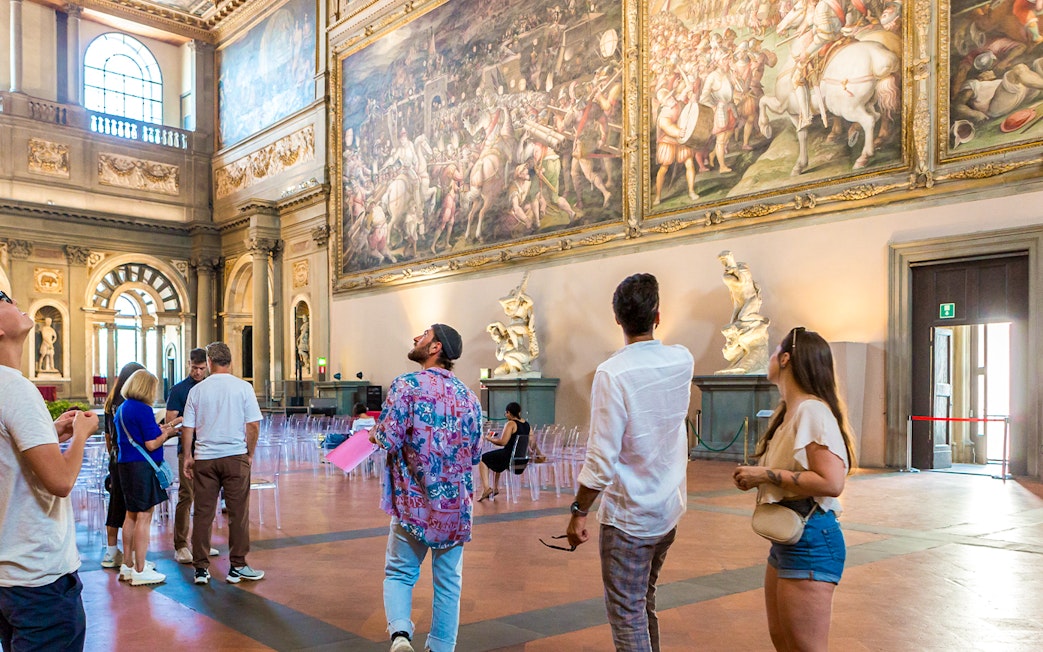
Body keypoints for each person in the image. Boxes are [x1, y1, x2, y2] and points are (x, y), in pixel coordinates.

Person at [564, 273, 693, 652]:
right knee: (643, 603)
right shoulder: (681, 360)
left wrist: (578, 511)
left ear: (617, 319)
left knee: (627, 615)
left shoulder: (612, 373)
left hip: (630, 520)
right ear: (657, 316)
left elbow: (601, 460)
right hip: (667, 511)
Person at [732, 326, 858, 652]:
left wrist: (766, 474)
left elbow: (831, 482)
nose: (771, 356)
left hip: (812, 540)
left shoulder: (811, 410)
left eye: (775, 350)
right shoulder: (790, 411)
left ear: (786, 359)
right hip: (789, 538)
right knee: (785, 642)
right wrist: (760, 477)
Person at [369, 323, 482, 652]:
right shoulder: (469, 397)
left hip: (414, 505)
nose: (416, 338)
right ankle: (442, 647)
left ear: (435, 348)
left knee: (400, 573)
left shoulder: (406, 385)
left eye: (423, 335)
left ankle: (401, 635)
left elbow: (389, 438)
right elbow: (475, 454)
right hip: (455, 509)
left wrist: (374, 434)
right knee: (449, 583)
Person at [0, 288, 98, 651]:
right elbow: (60, 481)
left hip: (8, 573)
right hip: (37, 575)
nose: (13, 301)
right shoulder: (17, 389)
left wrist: (49, 435)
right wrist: (82, 436)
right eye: (3, 298)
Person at [180, 341, 264, 586]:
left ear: (209, 363)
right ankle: (237, 566)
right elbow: (253, 425)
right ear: (231, 361)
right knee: (238, 514)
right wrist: (249, 453)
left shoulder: (197, 390)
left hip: (205, 458)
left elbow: (188, 427)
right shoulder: (243, 388)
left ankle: (201, 569)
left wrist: (188, 456)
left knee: (203, 514)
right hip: (235, 456)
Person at [114, 369, 182, 586]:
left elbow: (144, 435)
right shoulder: (143, 408)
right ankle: (141, 569)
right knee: (144, 515)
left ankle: (128, 564)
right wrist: (169, 433)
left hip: (126, 464)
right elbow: (152, 443)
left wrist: (164, 427)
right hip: (142, 467)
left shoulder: (123, 408)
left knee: (131, 514)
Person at [165, 348, 218, 564]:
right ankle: (181, 545)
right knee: (187, 496)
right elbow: (170, 422)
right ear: (189, 364)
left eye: (202, 369)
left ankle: (201, 543)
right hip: (187, 449)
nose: (197, 372)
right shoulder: (179, 390)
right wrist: (186, 422)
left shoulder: (212, 387)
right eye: (194, 368)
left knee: (207, 499)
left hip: (209, 448)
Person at [100, 361, 145, 570]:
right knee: (133, 508)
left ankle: (110, 552)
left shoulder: (110, 402)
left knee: (115, 502)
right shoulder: (133, 403)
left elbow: (108, 436)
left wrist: (112, 454)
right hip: (131, 458)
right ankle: (135, 557)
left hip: (115, 458)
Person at [475, 402, 530, 502]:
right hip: (522, 460)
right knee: (497, 457)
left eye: (506, 413)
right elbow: (532, 443)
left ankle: (487, 488)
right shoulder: (527, 425)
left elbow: (502, 442)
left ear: (508, 412)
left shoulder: (510, 424)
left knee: (482, 459)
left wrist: (489, 438)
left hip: (509, 458)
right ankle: (495, 488)